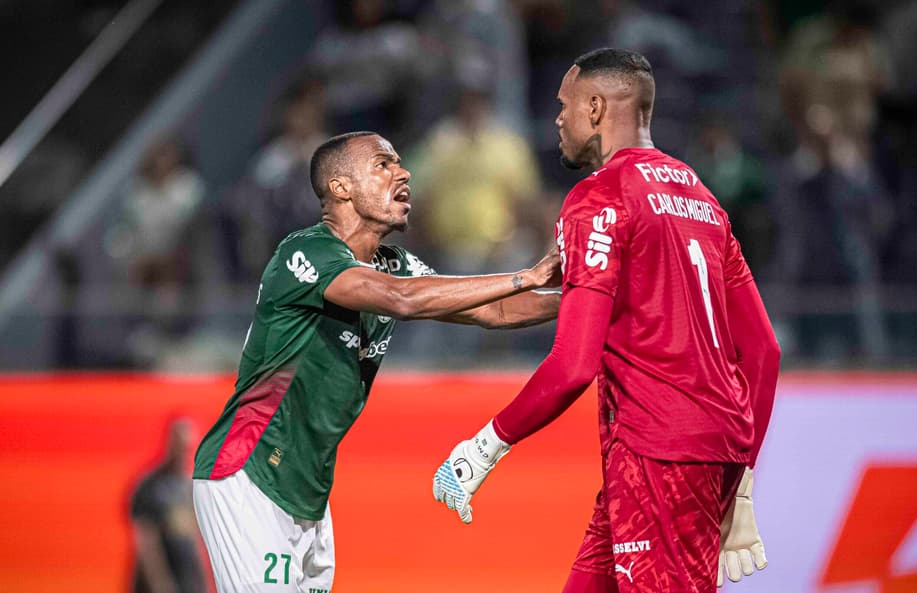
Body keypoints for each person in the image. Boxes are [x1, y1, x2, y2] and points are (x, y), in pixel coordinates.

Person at [432, 49, 781, 593]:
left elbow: (574, 364)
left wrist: (486, 446)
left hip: (659, 452)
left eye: (564, 105)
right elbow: (762, 352)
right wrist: (742, 476)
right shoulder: (703, 198)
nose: (557, 119)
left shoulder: (600, 198)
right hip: (699, 448)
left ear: (594, 108)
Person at [191, 131, 561, 593]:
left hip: (308, 493)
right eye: (384, 165)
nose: (403, 173)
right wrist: (526, 275)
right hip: (249, 473)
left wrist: (589, 298)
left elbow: (497, 310)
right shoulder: (304, 252)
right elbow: (401, 300)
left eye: (401, 164)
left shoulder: (394, 264)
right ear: (341, 188)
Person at [130, 418, 208, 593]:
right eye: (180, 446)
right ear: (170, 444)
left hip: (189, 583)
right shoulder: (151, 486)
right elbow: (147, 543)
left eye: (188, 448)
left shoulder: (192, 488)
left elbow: (196, 543)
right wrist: (160, 585)